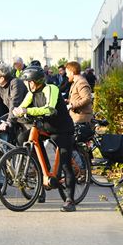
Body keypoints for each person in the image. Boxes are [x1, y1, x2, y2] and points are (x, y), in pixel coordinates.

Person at [12, 66, 76, 212]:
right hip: (45, 128)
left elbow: (49, 109)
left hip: (62, 129)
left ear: (37, 81)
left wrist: (27, 111)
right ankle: (44, 170)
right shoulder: (31, 93)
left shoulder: (51, 88)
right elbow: (22, 107)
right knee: (23, 138)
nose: (28, 85)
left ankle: (70, 201)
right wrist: (16, 113)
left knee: (66, 164)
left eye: (30, 82)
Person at [65, 61, 93, 141]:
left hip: (82, 119)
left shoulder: (81, 82)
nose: (66, 75)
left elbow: (87, 99)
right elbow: (78, 98)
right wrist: (68, 101)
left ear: (72, 72)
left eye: (67, 73)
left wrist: (71, 105)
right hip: (78, 117)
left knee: (77, 144)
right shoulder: (76, 82)